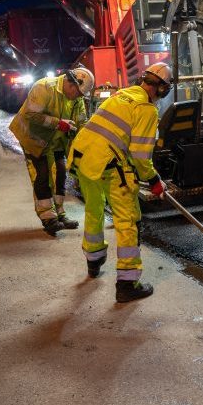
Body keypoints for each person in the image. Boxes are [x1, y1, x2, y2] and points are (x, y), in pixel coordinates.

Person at [67, 62, 171, 303]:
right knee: (128, 219)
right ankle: (127, 283)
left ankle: (94, 262)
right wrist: (154, 181)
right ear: (162, 89)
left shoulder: (121, 94)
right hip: (109, 163)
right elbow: (140, 156)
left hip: (84, 157)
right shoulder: (146, 109)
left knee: (94, 209)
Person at [9, 66, 95, 236]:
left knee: (61, 173)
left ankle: (60, 215)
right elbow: (30, 114)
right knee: (41, 175)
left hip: (55, 141)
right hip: (33, 139)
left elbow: (82, 122)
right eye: (77, 93)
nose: (78, 97)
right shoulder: (43, 88)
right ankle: (48, 218)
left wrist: (88, 139)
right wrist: (58, 123)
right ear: (70, 84)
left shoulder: (76, 99)